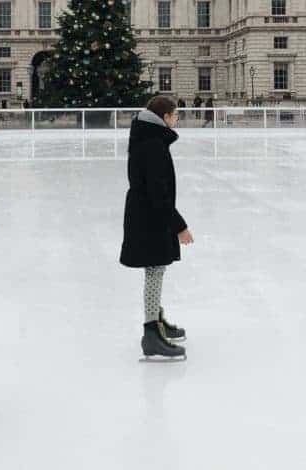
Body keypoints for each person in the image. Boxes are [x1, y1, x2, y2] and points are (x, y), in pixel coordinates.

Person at [120, 96, 194, 361]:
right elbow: (158, 193)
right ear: (164, 118)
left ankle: (157, 320)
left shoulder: (149, 138)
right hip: (149, 217)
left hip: (147, 214)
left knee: (156, 269)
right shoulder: (153, 144)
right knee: (154, 271)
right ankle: (151, 333)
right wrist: (180, 226)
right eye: (175, 116)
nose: (176, 121)